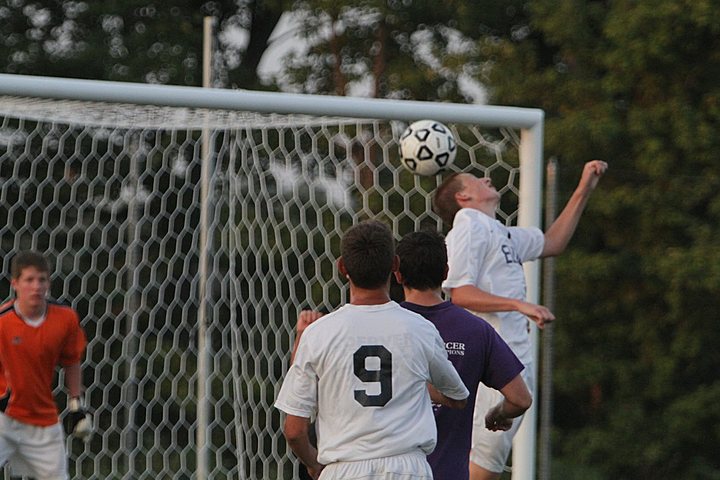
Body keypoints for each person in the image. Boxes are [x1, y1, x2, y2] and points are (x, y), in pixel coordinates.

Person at [433, 160, 608, 479]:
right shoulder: (469, 224)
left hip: (512, 362)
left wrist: (584, 189)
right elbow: (459, 292)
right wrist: (517, 304)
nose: (486, 177)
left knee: (488, 464)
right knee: (481, 464)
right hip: (490, 365)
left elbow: (552, 243)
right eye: (474, 179)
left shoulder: (500, 233)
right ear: (463, 199)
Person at [274, 219, 469, 480]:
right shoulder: (419, 328)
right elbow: (457, 396)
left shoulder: (318, 334)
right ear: (395, 265)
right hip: (407, 469)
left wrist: (312, 464)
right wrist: (415, 384)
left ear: (342, 267)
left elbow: (294, 430)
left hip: (343, 469)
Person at [394, 230, 532, 480]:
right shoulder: (476, 330)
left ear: (397, 274)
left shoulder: (382, 325)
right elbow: (521, 399)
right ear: (446, 273)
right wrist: (498, 414)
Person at [0, 250, 92, 480]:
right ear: (15, 284)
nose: (36, 287)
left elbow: (72, 361)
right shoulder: (2, 322)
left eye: (42, 280)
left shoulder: (65, 319)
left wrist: (75, 404)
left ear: (49, 283)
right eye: (29, 280)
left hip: (42, 421)